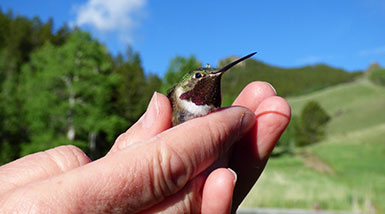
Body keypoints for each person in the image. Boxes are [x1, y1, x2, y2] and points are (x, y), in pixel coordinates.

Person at [0, 81, 290, 213]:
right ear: (188, 85)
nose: (211, 80)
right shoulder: (174, 102)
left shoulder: (217, 115)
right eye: (202, 77)